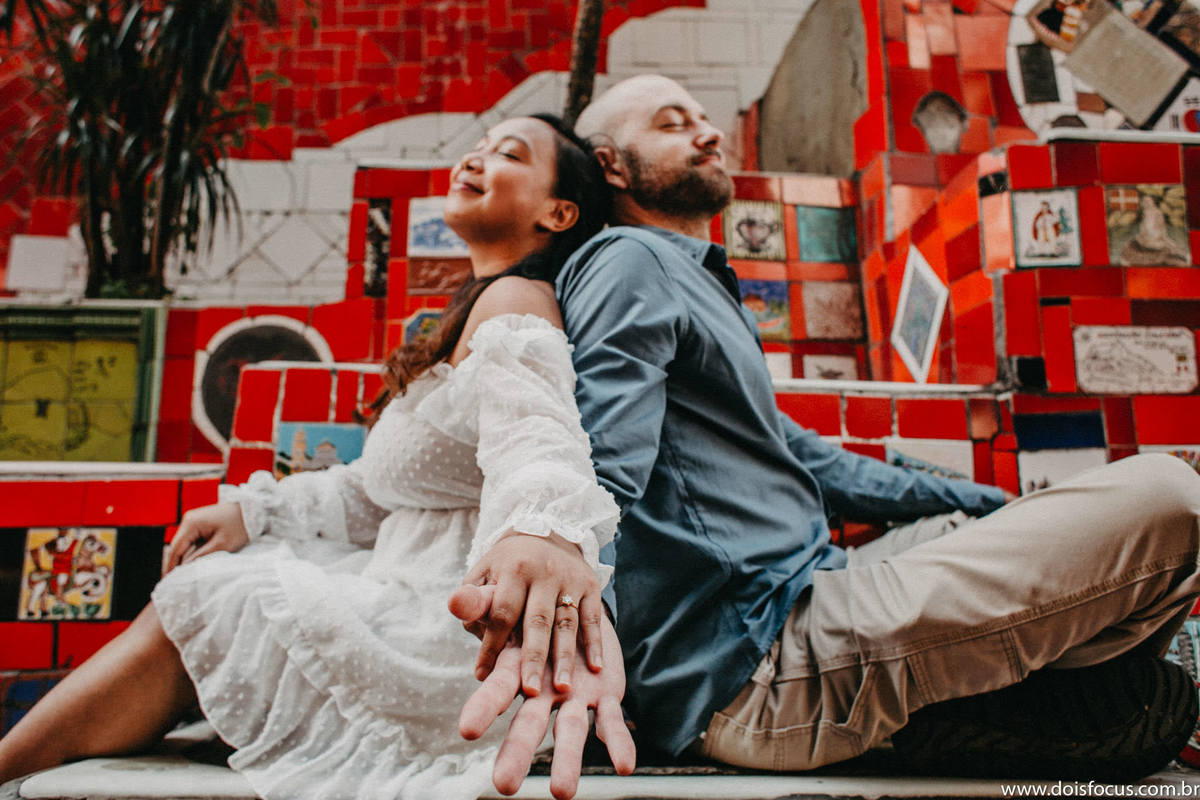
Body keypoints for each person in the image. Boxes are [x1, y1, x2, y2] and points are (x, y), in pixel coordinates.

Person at [456, 74, 1200, 788]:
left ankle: (996, 702)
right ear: (612, 164)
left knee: (971, 520)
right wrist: (575, 613)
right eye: (673, 124)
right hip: (759, 657)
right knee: (1172, 500)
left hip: (818, 583)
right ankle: (972, 710)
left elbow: (815, 460)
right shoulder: (630, 260)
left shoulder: (690, 275)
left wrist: (990, 505)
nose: (709, 133)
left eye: (703, 118)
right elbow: (604, 456)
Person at [0, 113, 635, 800]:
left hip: (453, 632)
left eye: (508, 153)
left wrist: (539, 528)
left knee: (205, 598)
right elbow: (382, 490)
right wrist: (255, 511)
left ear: (558, 211)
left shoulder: (517, 300)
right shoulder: (468, 309)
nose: (475, 159)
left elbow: (536, 434)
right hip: (404, 591)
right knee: (219, 582)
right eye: (477, 146)